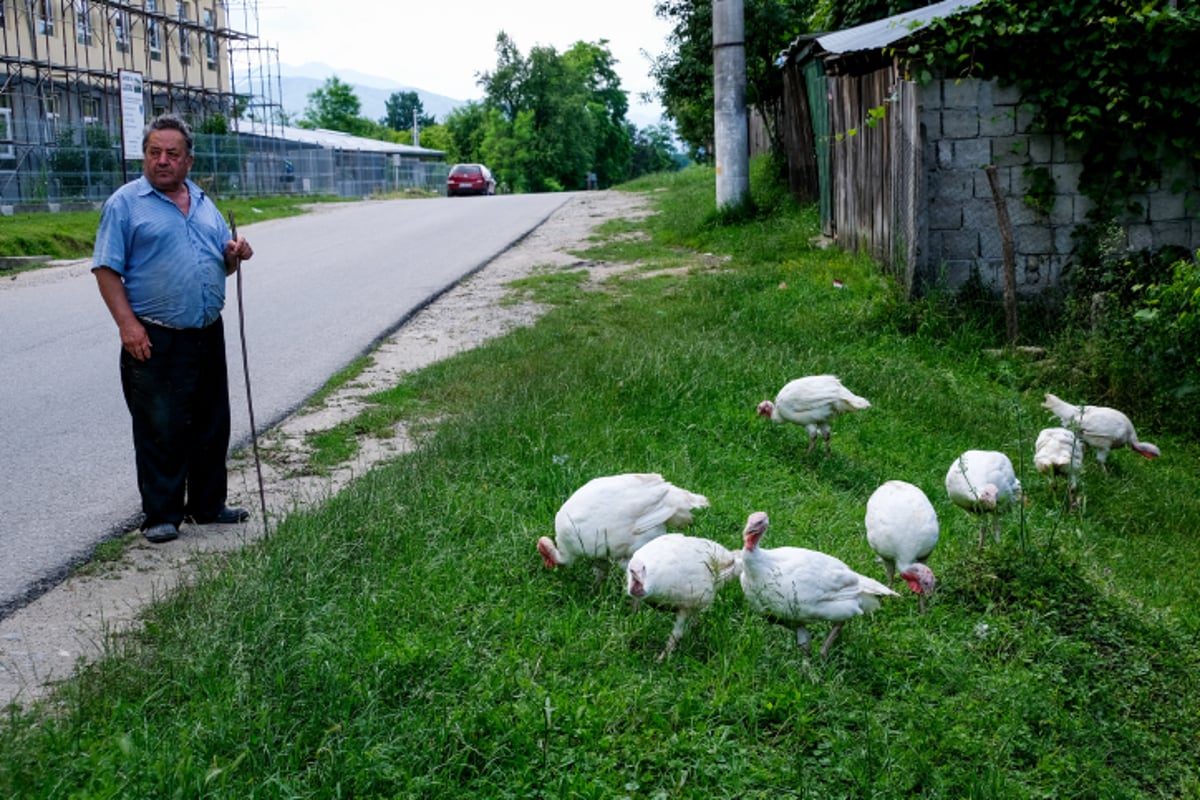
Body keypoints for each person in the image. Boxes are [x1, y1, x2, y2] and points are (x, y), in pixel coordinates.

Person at [92, 113, 255, 543]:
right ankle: (161, 514)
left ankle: (207, 506)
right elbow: (106, 270)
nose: (162, 160)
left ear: (188, 161)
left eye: (172, 153)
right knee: (160, 427)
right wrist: (128, 327)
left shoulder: (203, 202)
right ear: (145, 156)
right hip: (154, 335)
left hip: (205, 331)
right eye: (154, 152)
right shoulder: (126, 204)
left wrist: (237, 253)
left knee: (211, 422)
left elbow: (223, 261)